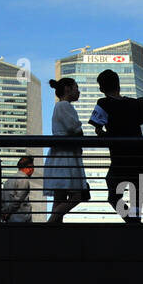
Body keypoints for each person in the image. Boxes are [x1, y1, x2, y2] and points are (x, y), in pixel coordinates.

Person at [90, 69, 143, 224]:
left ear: (102, 88)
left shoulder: (103, 103)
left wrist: (112, 138)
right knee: (136, 201)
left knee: (113, 195)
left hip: (120, 158)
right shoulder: (134, 103)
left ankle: (130, 222)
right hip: (140, 157)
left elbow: (98, 130)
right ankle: (135, 224)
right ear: (118, 84)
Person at [44, 79, 90, 223]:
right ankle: (49, 226)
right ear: (67, 88)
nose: (78, 91)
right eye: (76, 87)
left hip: (60, 157)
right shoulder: (64, 106)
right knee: (78, 195)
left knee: (59, 200)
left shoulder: (59, 106)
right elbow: (74, 128)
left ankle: (53, 233)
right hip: (66, 158)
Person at [0, 155, 36, 223]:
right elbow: (18, 200)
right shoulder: (24, 179)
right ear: (30, 167)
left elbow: (2, 199)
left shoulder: (8, 181)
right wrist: (8, 212)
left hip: (9, 220)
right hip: (21, 219)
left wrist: (4, 213)